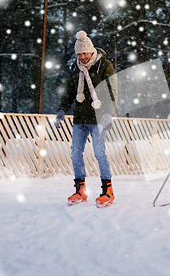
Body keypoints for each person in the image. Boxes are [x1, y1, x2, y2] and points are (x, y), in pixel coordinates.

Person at [55, 30, 118, 208]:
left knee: (99, 152)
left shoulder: (104, 65)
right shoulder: (75, 67)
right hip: (80, 118)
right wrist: (62, 109)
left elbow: (111, 91)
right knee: (75, 153)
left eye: (84, 53)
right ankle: (80, 189)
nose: (81, 57)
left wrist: (108, 112)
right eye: (79, 53)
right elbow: (69, 91)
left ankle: (108, 190)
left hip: (98, 118)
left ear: (91, 51)